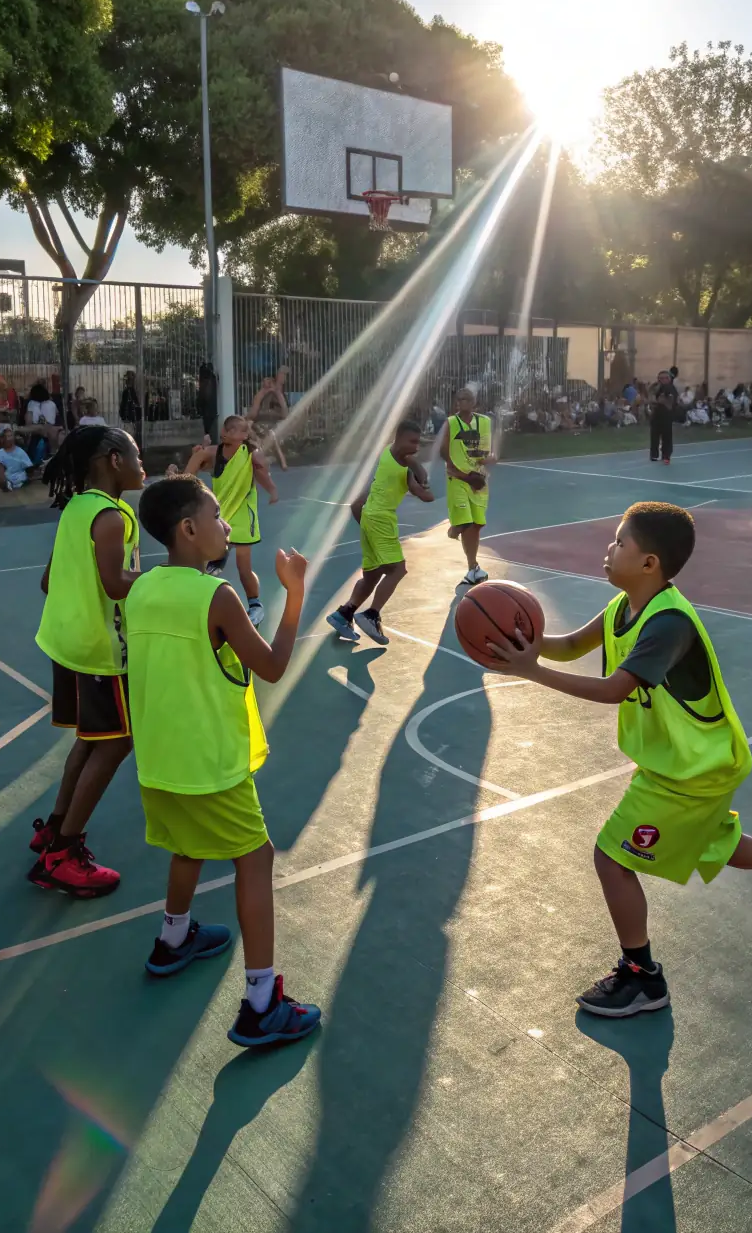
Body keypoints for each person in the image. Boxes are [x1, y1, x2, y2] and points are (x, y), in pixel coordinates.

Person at [490, 502, 752, 1017]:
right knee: (704, 840)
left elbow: (616, 689)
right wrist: (519, 641)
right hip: (676, 763)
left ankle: (643, 977)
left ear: (649, 563)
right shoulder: (622, 609)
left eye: (619, 543)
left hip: (694, 770)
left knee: (612, 857)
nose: (608, 550)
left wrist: (531, 671)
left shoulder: (668, 624)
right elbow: (569, 645)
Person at [126, 474, 321, 1047]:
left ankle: (174, 937)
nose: (228, 525)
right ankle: (262, 1004)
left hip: (159, 762)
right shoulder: (217, 596)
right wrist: (295, 597)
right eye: (217, 516)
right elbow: (273, 667)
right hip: (210, 763)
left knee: (188, 846)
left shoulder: (140, 589)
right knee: (254, 858)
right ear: (189, 530)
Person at [28, 425, 146, 896]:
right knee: (117, 743)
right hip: (101, 651)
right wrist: (165, 578)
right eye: (136, 455)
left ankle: (55, 828)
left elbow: (47, 580)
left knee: (92, 739)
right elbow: (117, 585)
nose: (143, 465)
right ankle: (63, 855)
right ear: (114, 460)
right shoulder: (113, 517)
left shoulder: (77, 507)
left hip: (66, 643)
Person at [327, 419, 435, 645]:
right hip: (382, 520)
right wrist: (425, 488)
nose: (416, 446)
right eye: (412, 441)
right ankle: (371, 614)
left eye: (418, 443)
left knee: (372, 575)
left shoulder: (388, 451)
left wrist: (419, 470)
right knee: (398, 570)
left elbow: (412, 461)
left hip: (368, 516)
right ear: (399, 438)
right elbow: (425, 496)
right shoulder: (404, 470)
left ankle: (344, 613)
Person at [174, 415, 279, 625]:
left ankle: (255, 604)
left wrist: (272, 489)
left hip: (242, 518)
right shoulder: (213, 452)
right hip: (218, 516)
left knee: (243, 567)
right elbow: (188, 476)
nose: (245, 434)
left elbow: (261, 472)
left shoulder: (250, 453)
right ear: (228, 432)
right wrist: (184, 470)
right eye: (240, 430)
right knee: (204, 563)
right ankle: (197, 602)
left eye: (245, 431)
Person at [439, 388, 496, 586]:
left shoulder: (484, 422)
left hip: (478, 478)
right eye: (460, 399)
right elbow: (443, 450)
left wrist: (488, 458)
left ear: (474, 402)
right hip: (458, 479)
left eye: (467, 399)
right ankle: (454, 529)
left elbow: (486, 451)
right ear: (456, 403)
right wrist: (454, 468)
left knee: (476, 526)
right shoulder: (451, 423)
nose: (463, 402)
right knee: (464, 523)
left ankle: (473, 568)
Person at [0, 428, 37, 492]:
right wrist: (5, 485)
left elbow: (29, 469)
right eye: (7, 436)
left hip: (22, 483)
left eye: (10, 436)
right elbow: (0, 474)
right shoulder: (0, 453)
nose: (9, 439)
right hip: (7, 483)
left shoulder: (20, 451)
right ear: (3, 439)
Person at [649, 370, 677, 464]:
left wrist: (659, 401)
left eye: (665, 378)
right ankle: (654, 455)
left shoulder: (671, 388)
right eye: (660, 378)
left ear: (669, 379)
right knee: (654, 436)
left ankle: (666, 455)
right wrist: (656, 401)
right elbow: (651, 399)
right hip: (656, 415)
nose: (663, 380)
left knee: (667, 436)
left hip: (667, 416)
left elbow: (669, 402)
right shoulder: (655, 388)